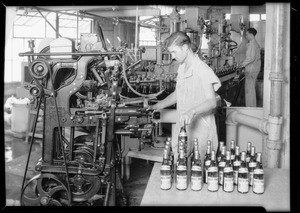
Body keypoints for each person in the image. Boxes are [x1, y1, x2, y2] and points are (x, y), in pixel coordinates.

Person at [149, 31, 221, 159]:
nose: (172, 56)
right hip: (183, 126)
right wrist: (157, 106)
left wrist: (192, 111)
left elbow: (212, 102)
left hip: (201, 128)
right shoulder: (182, 68)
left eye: (174, 52)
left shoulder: (203, 70)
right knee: (180, 166)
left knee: (200, 170)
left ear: (185, 48)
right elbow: (178, 94)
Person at [239, 28, 261, 107]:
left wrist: (241, 65)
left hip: (251, 70)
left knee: (249, 90)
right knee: (251, 90)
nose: (246, 36)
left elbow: (251, 58)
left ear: (251, 35)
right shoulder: (254, 44)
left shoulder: (252, 44)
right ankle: (252, 107)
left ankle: (250, 108)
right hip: (254, 68)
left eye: (247, 34)